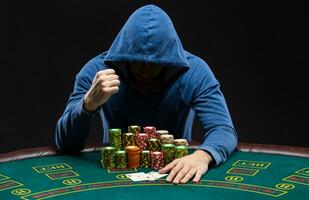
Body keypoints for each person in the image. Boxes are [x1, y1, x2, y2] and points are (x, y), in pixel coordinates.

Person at [55, 4, 237, 184]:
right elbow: (65, 143)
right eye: (137, 62)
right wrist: (88, 105)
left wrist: (203, 156)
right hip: (115, 173)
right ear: (123, 56)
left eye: (155, 64)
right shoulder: (97, 71)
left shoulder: (195, 72)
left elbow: (223, 129)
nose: (145, 72)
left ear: (170, 60)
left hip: (175, 173)